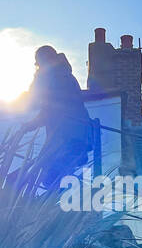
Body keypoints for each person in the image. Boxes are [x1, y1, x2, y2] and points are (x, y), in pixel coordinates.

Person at [20, 46, 92, 190]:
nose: (37, 68)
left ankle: (53, 206)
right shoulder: (64, 74)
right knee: (54, 174)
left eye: (38, 64)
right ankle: (58, 203)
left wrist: (30, 125)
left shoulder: (51, 77)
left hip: (66, 136)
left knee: (48, 172)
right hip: (77, 135)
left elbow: (48, 108)